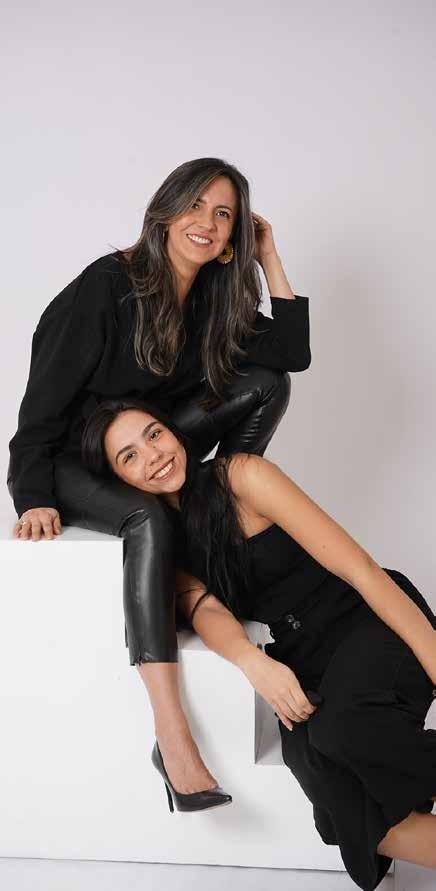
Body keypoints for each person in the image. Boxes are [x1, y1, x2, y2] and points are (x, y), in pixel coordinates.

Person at [7, 156, 311, 808]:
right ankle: (171, 738)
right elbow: (41, 406)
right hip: (77, 455)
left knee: (266, 382)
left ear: (230, 239)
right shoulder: (106, 285)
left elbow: (291, 356)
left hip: (148, 445)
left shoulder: (210, 299)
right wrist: (32, 496)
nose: (207, 221)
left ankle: (217, 512)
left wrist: (267, 256)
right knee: (147, 519)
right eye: (195, 204)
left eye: (223, 214)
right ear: (165, 212)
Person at [82, 396, 436, 891]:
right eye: (130, 456)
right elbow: (206, 610)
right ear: (118, 483)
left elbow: (361, 570)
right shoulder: (158, 540)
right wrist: (253, 662)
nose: (153, 455)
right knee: (330, 788)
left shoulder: (240, 476)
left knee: (340, 734)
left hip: (367, 619)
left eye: (154, 434)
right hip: (302, 656)